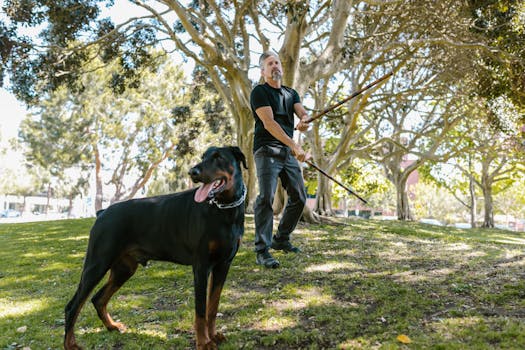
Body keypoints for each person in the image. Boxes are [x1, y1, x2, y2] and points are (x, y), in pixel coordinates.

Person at [250, 51, 310, 268]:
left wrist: (304, 120)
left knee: (299, 196)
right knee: (266, 197)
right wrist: (294, 145)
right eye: (270, 63)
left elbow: (302, 112)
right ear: (263, 71)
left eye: (277, 62)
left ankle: (281, 239)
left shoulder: (290, 93)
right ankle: (262, 250)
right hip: (266, 150)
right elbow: (269, 123)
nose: (275, 65)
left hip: (286, 152)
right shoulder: (259, 92)